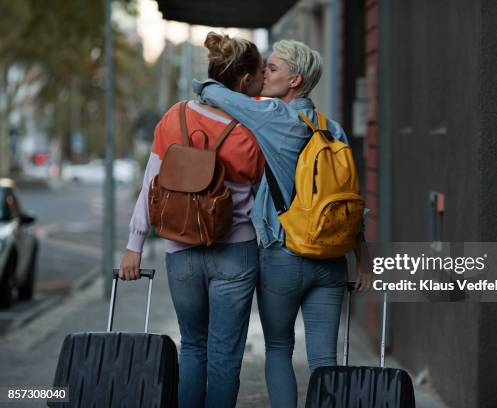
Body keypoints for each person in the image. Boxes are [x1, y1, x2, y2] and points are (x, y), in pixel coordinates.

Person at [194, 38, 373, 407]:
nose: (264, 75)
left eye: (272, 69)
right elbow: (346, 200)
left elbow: (219, 95)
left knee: (278, 348)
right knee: (325, 359)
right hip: (332, 259)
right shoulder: (332, 129)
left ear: (295, 80)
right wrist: (363, 259)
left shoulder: (275, 117)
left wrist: (208, 79)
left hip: (283, 257)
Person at [118, 32, 265, 408]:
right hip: (236, 252)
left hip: (179, 249)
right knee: (225, 356)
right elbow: (264, 201)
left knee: (194, 345)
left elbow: (150, 186)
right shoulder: (251, 131)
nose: (265, 80)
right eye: (261, 74)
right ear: (245, 80)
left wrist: (134, 246)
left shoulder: (173, 118)